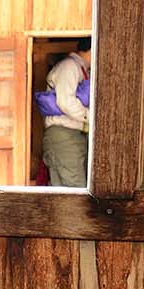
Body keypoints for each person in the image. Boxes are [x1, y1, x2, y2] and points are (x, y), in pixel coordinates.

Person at [41, 37, 91, 187]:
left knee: (70, 190)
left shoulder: (81, 69)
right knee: (74, 189)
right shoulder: (69, 66)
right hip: (65, 136)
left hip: (72, 136)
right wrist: (92, 117)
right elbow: (65, 102)